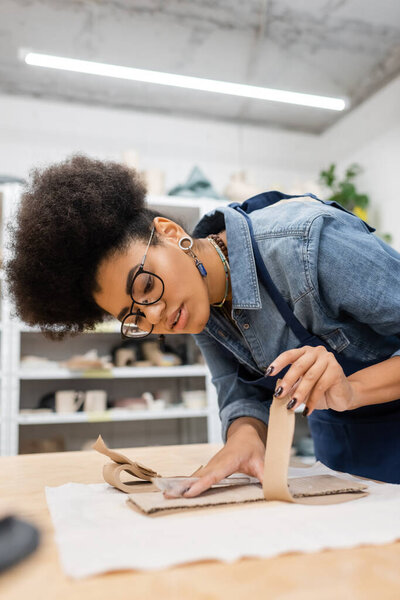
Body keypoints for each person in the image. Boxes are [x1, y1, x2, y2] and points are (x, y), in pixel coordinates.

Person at [7, 155, 400, 494]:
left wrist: (353, 389)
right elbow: (240, 395)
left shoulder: (308, 244)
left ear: (170, 232)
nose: (155, 315)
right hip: (344, 448)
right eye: (135, 316)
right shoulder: (197, 307)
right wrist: (244, 438)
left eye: (145, 285)